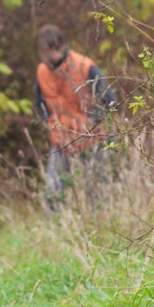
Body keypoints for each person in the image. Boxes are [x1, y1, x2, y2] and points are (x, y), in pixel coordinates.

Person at [32, 24, 121, 207]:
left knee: (96, 195)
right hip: (61, 141)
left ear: (64, 46)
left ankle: (99, 227)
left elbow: (110, 101)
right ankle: (53, 231)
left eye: (53, 49)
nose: (50, 55)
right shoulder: (41, 71)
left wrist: (90, 123)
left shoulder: (85, 67)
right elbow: (39, 103)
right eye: (45, 50)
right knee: (52, 193)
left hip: (91, 140)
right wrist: (49, 123)